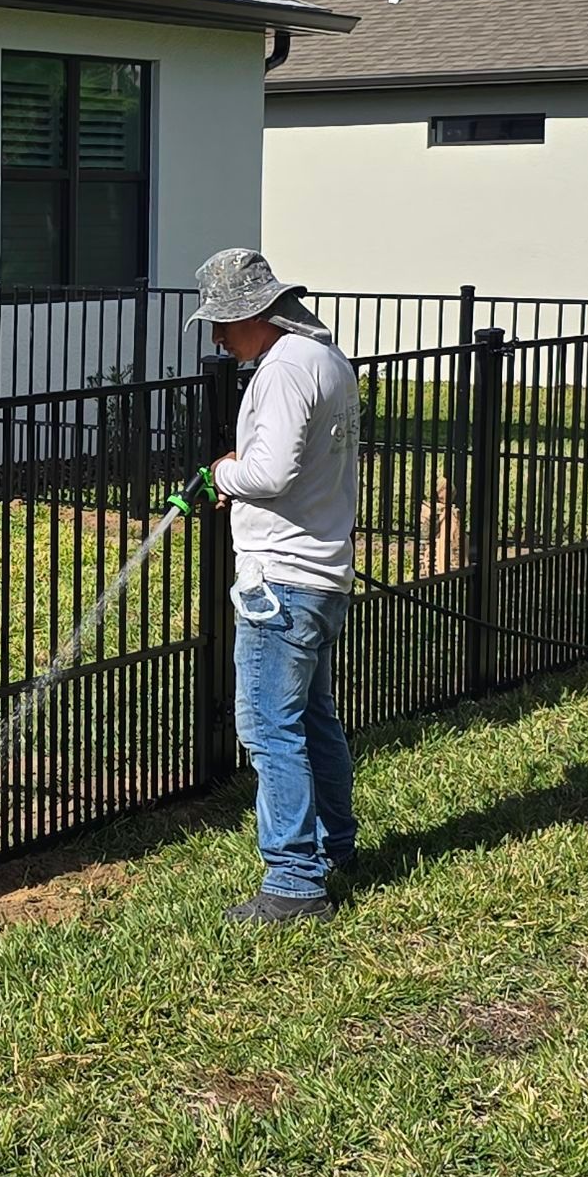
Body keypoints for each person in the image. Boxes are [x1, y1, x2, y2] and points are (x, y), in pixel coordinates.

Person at [190, 248, 360, 925]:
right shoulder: (324, 359)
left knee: (268, 727)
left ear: (259, 313)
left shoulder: (287, 369)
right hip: (319, 573)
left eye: (225, 324)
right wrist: (241, 464)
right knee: (312, 718)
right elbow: (292, 460)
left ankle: (293, 884)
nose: (218, 339)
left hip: (280, 579)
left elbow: (274, 474)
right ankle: (334, 848)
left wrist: (219, 476)